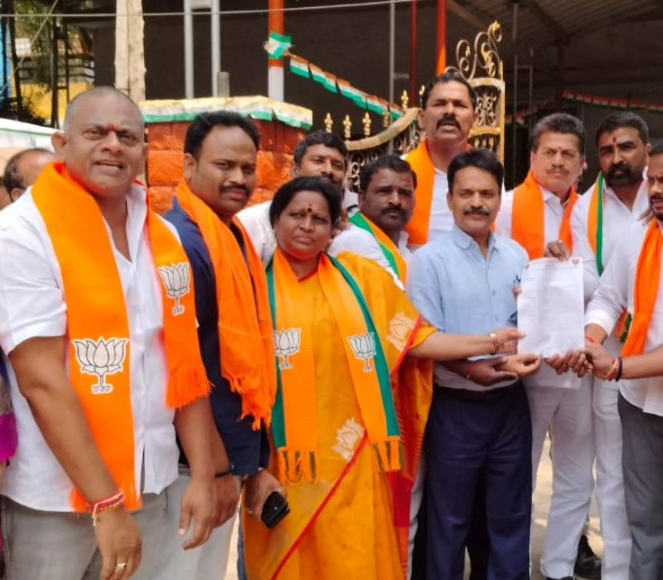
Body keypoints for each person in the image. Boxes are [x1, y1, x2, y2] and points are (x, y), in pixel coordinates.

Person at [240, 176, 535, 580]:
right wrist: (252, 467)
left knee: (356, 558)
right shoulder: (253, 288)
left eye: (319, 218)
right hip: (285, 458)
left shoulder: (361, 278)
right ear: (275, 221)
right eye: (296, 215)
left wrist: (491, 341)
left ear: (333, 229)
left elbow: (417, 340)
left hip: (355, 454)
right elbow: (240, 382)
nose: (307, 226)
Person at [0, 86, 218, 580]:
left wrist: (203, 476)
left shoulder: (162, 236)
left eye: (127, 137)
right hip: (57, 503)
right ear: (61, 145)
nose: (113, 145)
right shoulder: (23, 232)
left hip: (150, 485)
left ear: (144, 150)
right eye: (96, 133)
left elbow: (182, 362)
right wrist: (107, 504)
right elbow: (41, 381)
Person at [576, 134, 663, 580]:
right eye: (652, 180)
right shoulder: (639, 236)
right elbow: (608, 297)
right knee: (646, 529)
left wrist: (617, 366)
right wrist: (592, 339)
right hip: (638, 406)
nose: (654, 190)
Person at [155, 111, 281, 579]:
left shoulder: (230, 235)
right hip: (193, 464)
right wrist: (217, 470)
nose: (239, 179)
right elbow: (187, 364)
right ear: (188, 165)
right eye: (224, 165)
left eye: (248, 168)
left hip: (219, 455)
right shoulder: (184, 243)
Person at [408, 148, 542, 580]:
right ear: (449, 199)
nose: (477, 203)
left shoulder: (518, 257)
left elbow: (533, 325)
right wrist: (470, 369)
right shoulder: (428, 261)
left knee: (510, 514)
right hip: (455, 407)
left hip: (510, 405)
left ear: (500, 199)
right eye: (466, 193)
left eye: (487, 193)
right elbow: (422, 340)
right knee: (448, 519)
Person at [552, 111, 653, 580]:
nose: (617, 158)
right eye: (608, 150)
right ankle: (618, 572)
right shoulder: (586, 207)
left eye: (626, 147)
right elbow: (593, 283)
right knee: (612, 474)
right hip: (609, 353)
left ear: (647, 150)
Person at [495, 113, 596, 580]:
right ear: (533, 156)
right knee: (522, 470)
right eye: (549, 152)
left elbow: (606, 281)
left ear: (581, 163)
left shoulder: (591, 212)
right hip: (529, 364)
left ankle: (558, 567)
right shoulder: (506, 207)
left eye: (567, 154)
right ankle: (513, 565)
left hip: (580, 360)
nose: (558, 161)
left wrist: (571, 272)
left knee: (576, 471)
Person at [235, 131, 400, 277]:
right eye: (318, 161)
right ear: (295, 170)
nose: (328, 170)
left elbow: (388, 290)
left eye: (337, 165)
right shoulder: (255, 222)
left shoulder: (353, 232)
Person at [404, 71, 478, 247]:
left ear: (474, 120)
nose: (449, 111)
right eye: (439, 104)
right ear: (421, 118)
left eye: (459, 105)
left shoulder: (487, 174)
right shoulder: (402, 172)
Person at [352, 155, 418, 281]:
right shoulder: (355, 239)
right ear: (362, 199)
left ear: (414, 202)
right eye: (385, 191)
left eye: (404, 193)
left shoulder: (408, 250)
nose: (396, 201)